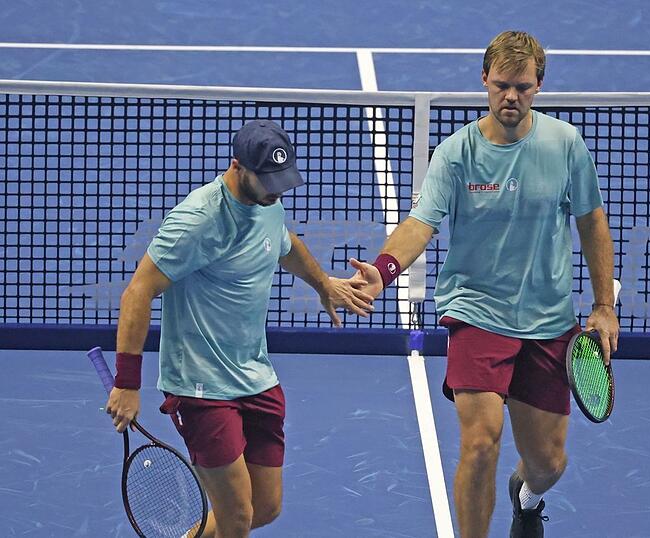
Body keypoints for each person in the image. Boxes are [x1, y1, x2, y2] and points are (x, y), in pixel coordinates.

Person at [349, 30, 619, 538]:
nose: (510, 96)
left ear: (539, 85)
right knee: (479, 443)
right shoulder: (456, 153)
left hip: (548, 319)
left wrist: (604, 305)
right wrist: (383, 272)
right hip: (476, 312)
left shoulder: (565, 144)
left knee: (548, 463)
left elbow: (591, 220)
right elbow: (420, 223)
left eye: (522, 86)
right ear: (484, 81)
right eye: (501, 85)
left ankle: (527, 496)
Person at [105, 119, 374, 537]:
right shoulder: (197, 221)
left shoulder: (268, 202)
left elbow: (284, 242)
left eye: (281, 180)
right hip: (201, 387)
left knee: (264, 507)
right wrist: (127, 382)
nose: (276, 191)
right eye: (267, 180)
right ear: (237, 167)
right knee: (236, 518)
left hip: (255, 375)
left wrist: (324, 285)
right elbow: (137, 293)